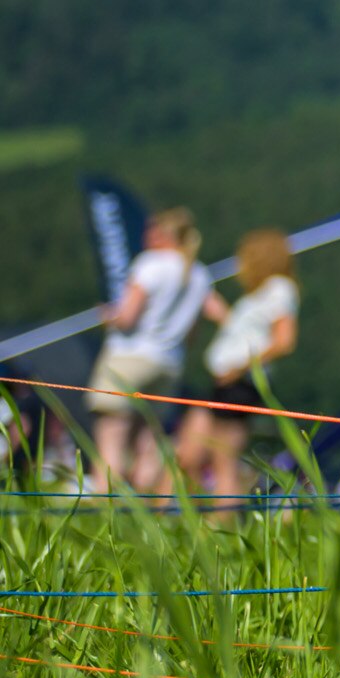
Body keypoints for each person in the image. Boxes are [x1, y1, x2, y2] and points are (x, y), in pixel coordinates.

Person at [90, 207, 211, 496]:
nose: (147, 235)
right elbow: (192, 334)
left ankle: (104, 509)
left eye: (152, 230)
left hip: (129, 357)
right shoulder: (199, 274)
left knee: (112, 436)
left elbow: (127, 318)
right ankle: (145, 510)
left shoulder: (150, 264)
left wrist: (108, 316)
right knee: (149, 440)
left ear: (164, 234)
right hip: (169, 364)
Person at [175, 229, 297, 500]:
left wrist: (239, 368)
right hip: (226, 381)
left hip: (240, 383)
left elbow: (284, 341)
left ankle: (219, 527)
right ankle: (190, 519)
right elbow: (248, 335)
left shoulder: (279, 288)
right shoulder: (263, 293)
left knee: (223, 462)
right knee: (189, 453)